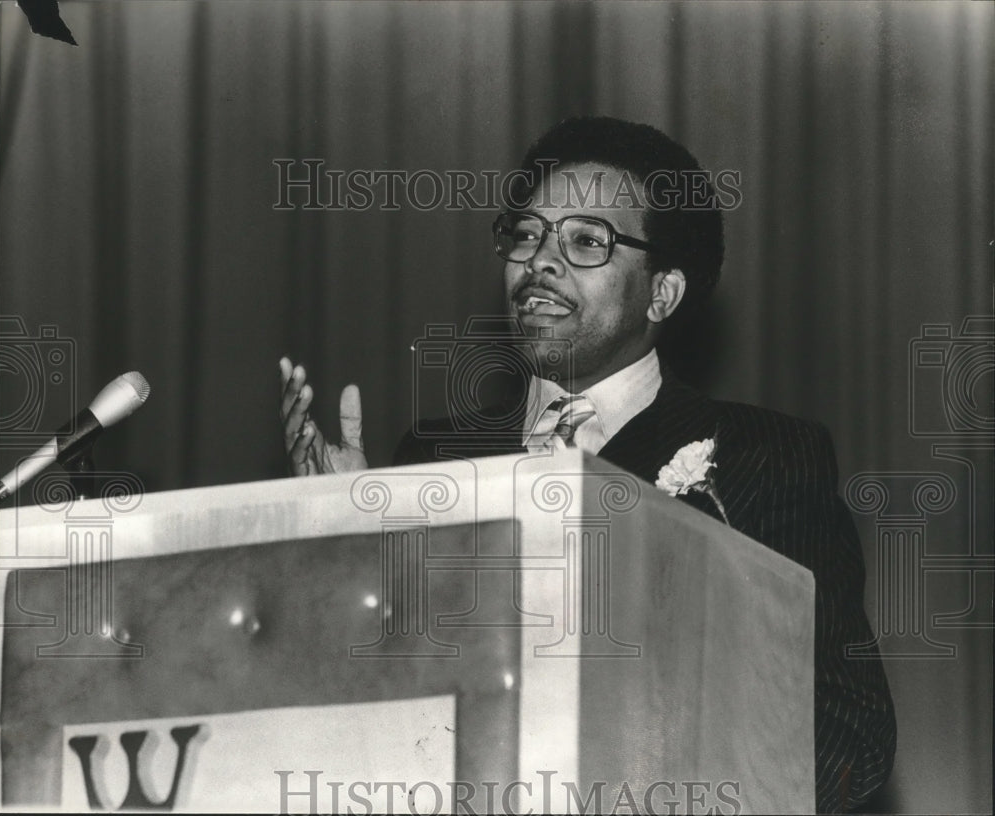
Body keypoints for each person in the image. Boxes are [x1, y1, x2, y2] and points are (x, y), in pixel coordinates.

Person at [278, 116, 896, 813]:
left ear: (662, 292)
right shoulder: (430, 459)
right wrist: (342, 547)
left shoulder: (764, 457)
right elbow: (377, 717)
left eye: (584, 240)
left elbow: (848, 729)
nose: (540, 260)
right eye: (527, 233)